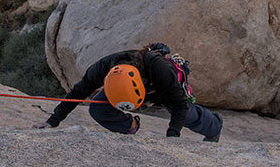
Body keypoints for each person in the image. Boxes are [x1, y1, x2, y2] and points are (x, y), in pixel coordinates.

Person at [33, 44, 222, 142]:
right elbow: (77, 93)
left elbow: (180, 105)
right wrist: (52, 121)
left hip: (159, 89)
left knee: (187, 115)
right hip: (124, 87)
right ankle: (129, 126)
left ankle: (214, 128)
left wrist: (172, 136)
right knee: (98, 109)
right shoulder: (104, 69)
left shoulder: (160, 70)